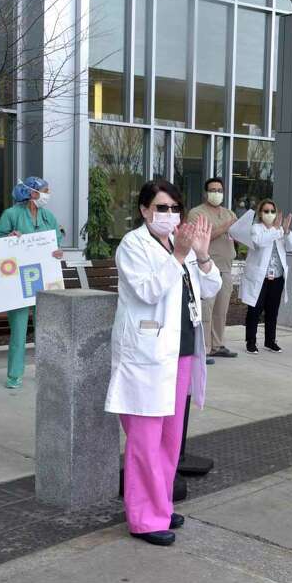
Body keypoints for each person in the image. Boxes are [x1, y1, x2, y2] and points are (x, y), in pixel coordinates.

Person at [104, 180, 222, 547]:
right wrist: (180, 257)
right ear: (143, 210)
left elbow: (210, 288)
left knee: (170, 441)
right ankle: (143, 518)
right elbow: (148, 290)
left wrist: (200, 255)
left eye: (174, 209)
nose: (169, 215)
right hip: (146, 356)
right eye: (161, 208)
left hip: (180, 353)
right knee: (145, 441)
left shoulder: (178, 246)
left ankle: (160, 504)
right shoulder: (133, 245)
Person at [0, 176, 64, 389]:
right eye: (45, 190)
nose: (48, 195)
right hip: (18, 282)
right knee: (19, 330)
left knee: (46, 329)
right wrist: (9, 237)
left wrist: (58, 252)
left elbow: (56, 243)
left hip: (45, 280)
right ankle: (14, 376)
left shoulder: (48, 216)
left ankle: (45, 372)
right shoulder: (11, 214)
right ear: (33, 193)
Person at [189, 178, 239, 363]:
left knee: (221, 309)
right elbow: (202, 237)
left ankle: (218, 345)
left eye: (219, 190)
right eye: (212, 190)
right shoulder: (197, 213)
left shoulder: (229, 213)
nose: (216, 193)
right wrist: (227, 226)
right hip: (206, 267)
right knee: (206, 310)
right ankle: (204, 348)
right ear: (205, 193)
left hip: (226, 267)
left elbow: (236, 234)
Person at [241, 199, 292, 354]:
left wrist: (286, 231)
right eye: (266, 211)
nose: (269, 214)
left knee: (272, 311)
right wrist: (277, 230)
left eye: (272, 211)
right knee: (255, 310)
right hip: (260, 277)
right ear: (260, 213)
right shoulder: (255, 228)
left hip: (277, 277)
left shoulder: (279, 230)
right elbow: (259, 242)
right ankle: (251, 342)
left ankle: (270, 341)